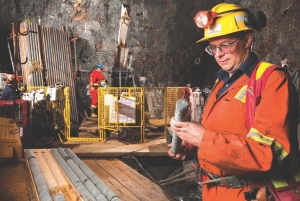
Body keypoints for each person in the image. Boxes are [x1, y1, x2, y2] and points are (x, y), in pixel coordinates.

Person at [168, 3, 300, 201]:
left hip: (249, 194)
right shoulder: (221, 82)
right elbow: (222, 134)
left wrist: (202, 140)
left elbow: (266, 155)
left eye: (226, 45)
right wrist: (190, 147)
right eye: (213, 48)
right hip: (213, 192)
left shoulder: (271, 80)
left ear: (247, 40)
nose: (219, 54)